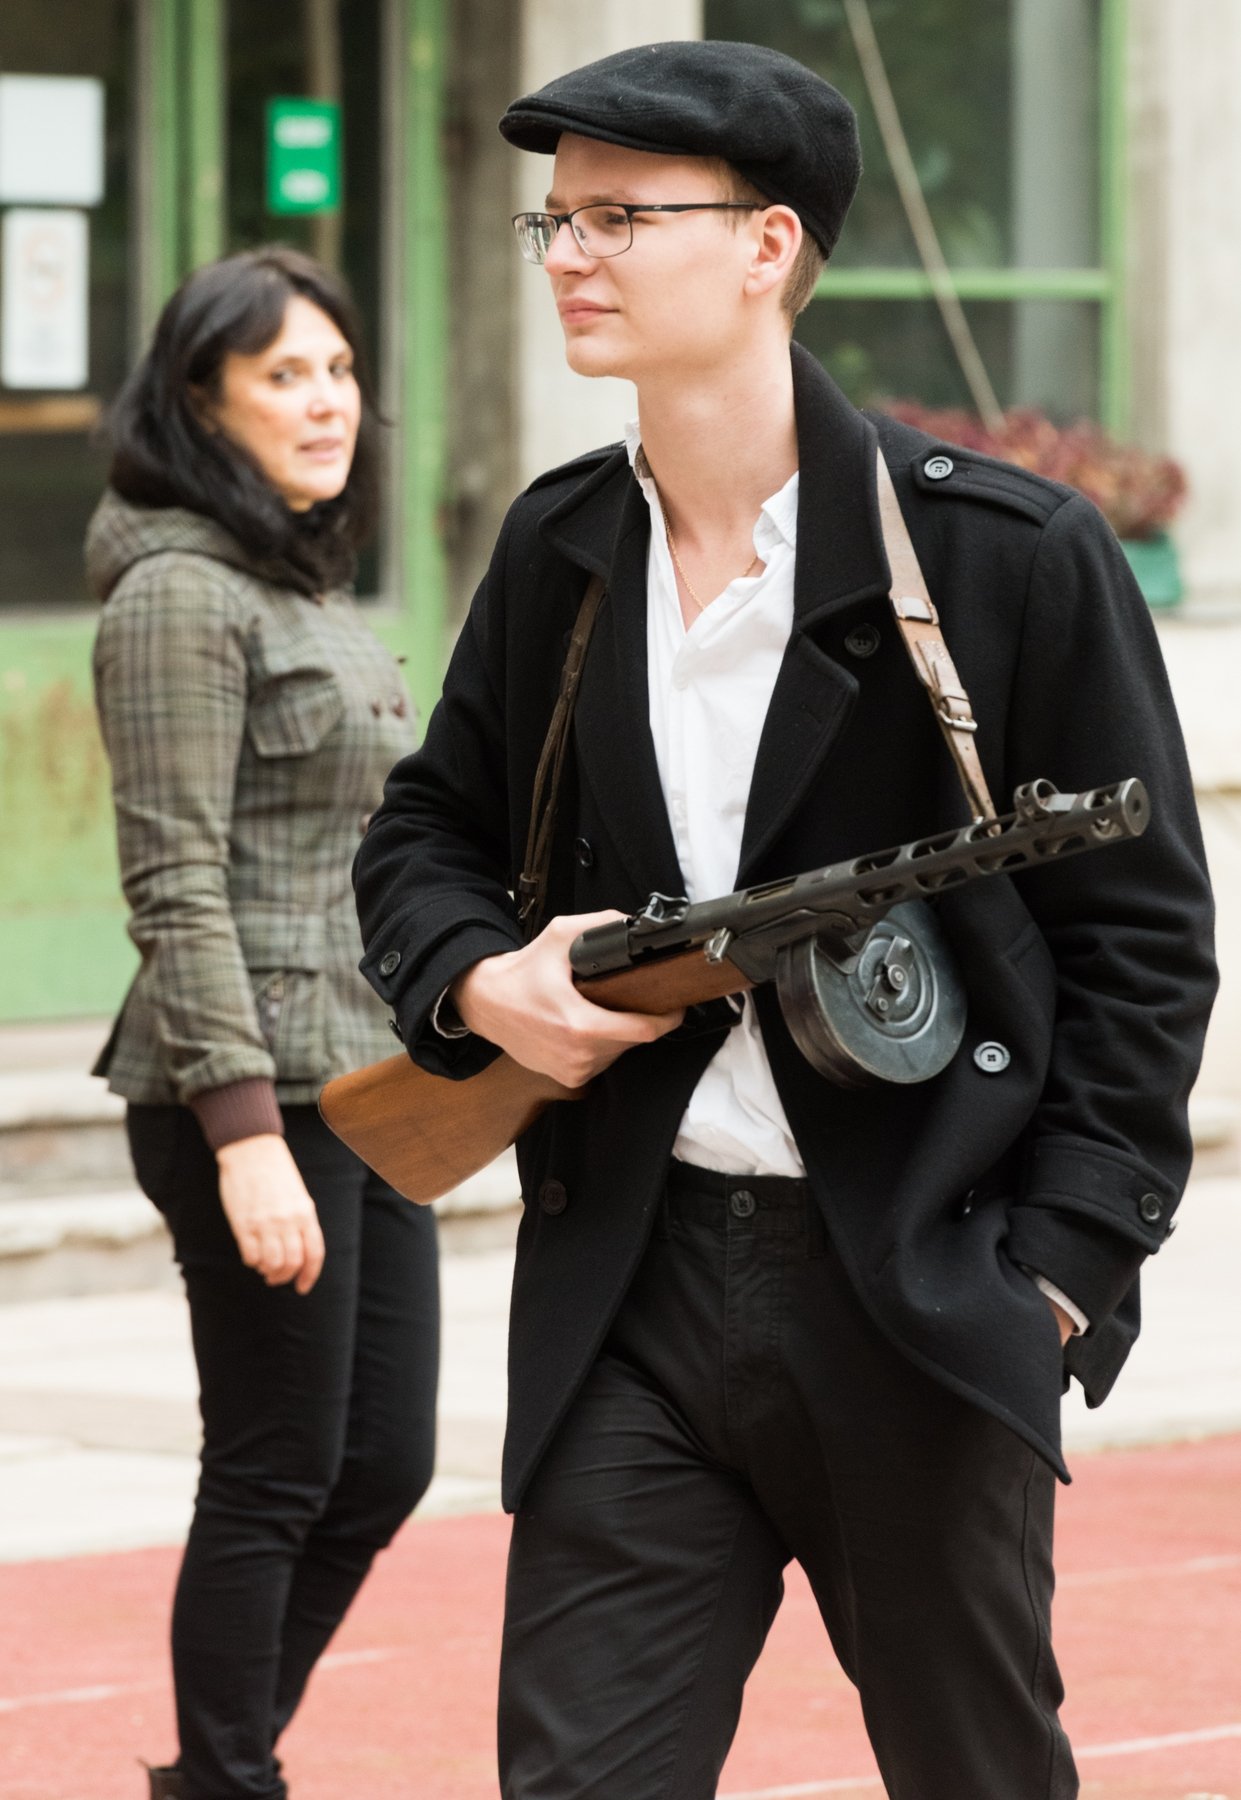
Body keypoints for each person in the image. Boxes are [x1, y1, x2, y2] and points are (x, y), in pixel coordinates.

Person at [353, 40, 1216, 1800]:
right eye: (554, 219)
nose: (568, 253)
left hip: (918, 1277)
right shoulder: (561, 546)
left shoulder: (1005, 556)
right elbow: (427, 829)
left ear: (765, 246)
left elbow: (1141, 941)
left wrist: (1056, 1271)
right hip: (633, 1285)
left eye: (619, 217)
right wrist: (479, 985)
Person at [90, 247, 439, 1800]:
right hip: (246, 1092)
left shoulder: (296, 584)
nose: (327, 402)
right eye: (285, 373)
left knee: (382, 1463)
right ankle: (229, 1781)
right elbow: (174, 879)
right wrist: (241, 1138)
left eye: (340, 370)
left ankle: (212, 1770)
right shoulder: (177, 595)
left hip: (363, 1083)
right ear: (200, 401)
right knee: (276, 1466)